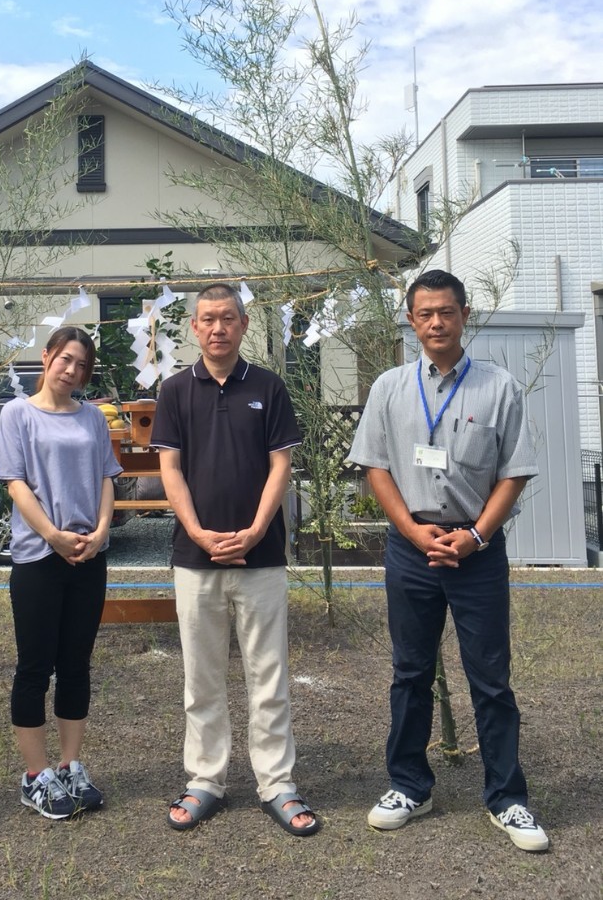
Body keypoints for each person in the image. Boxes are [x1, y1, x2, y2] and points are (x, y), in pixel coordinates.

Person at [349, 269, 548, 852]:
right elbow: (376, 467)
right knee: (409, 673)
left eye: (447, 311)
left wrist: (477, 538)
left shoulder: (499, 387)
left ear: (465, 316)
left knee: (491, 680)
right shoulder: (389, 387)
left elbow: (514, 472)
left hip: (476, 551)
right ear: (411, 322)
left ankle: (507, 798)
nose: (436, 322)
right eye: (425, 313)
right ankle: (410, 785)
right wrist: (412, 532)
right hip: (411, 549)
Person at [150, 284, 320, 837]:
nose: (217, 327)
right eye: (207, 319)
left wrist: (253, 532)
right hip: (193, 558)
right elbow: (170, 470)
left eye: (227, 318)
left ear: (244, 325)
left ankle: (277, 783)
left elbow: (280, 467)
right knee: (202, 679)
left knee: (268, 675)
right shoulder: (174, 391)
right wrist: (198, 532)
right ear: (194, 328)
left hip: (262, 556)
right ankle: (206, 780)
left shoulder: (269, 388)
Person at [0, 326, 121, 819]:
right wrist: (53, 534)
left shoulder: (93, 418)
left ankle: (70, 765)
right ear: (46, 358)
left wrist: (102, 530)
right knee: (34, 666)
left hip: (89, 554)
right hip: (39, 555)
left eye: (82, 365)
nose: (72, 370)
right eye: (65, 359)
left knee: (76, 664)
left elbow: (109, 477)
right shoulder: (17, 413)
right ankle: (35, 774)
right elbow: (15, 482)